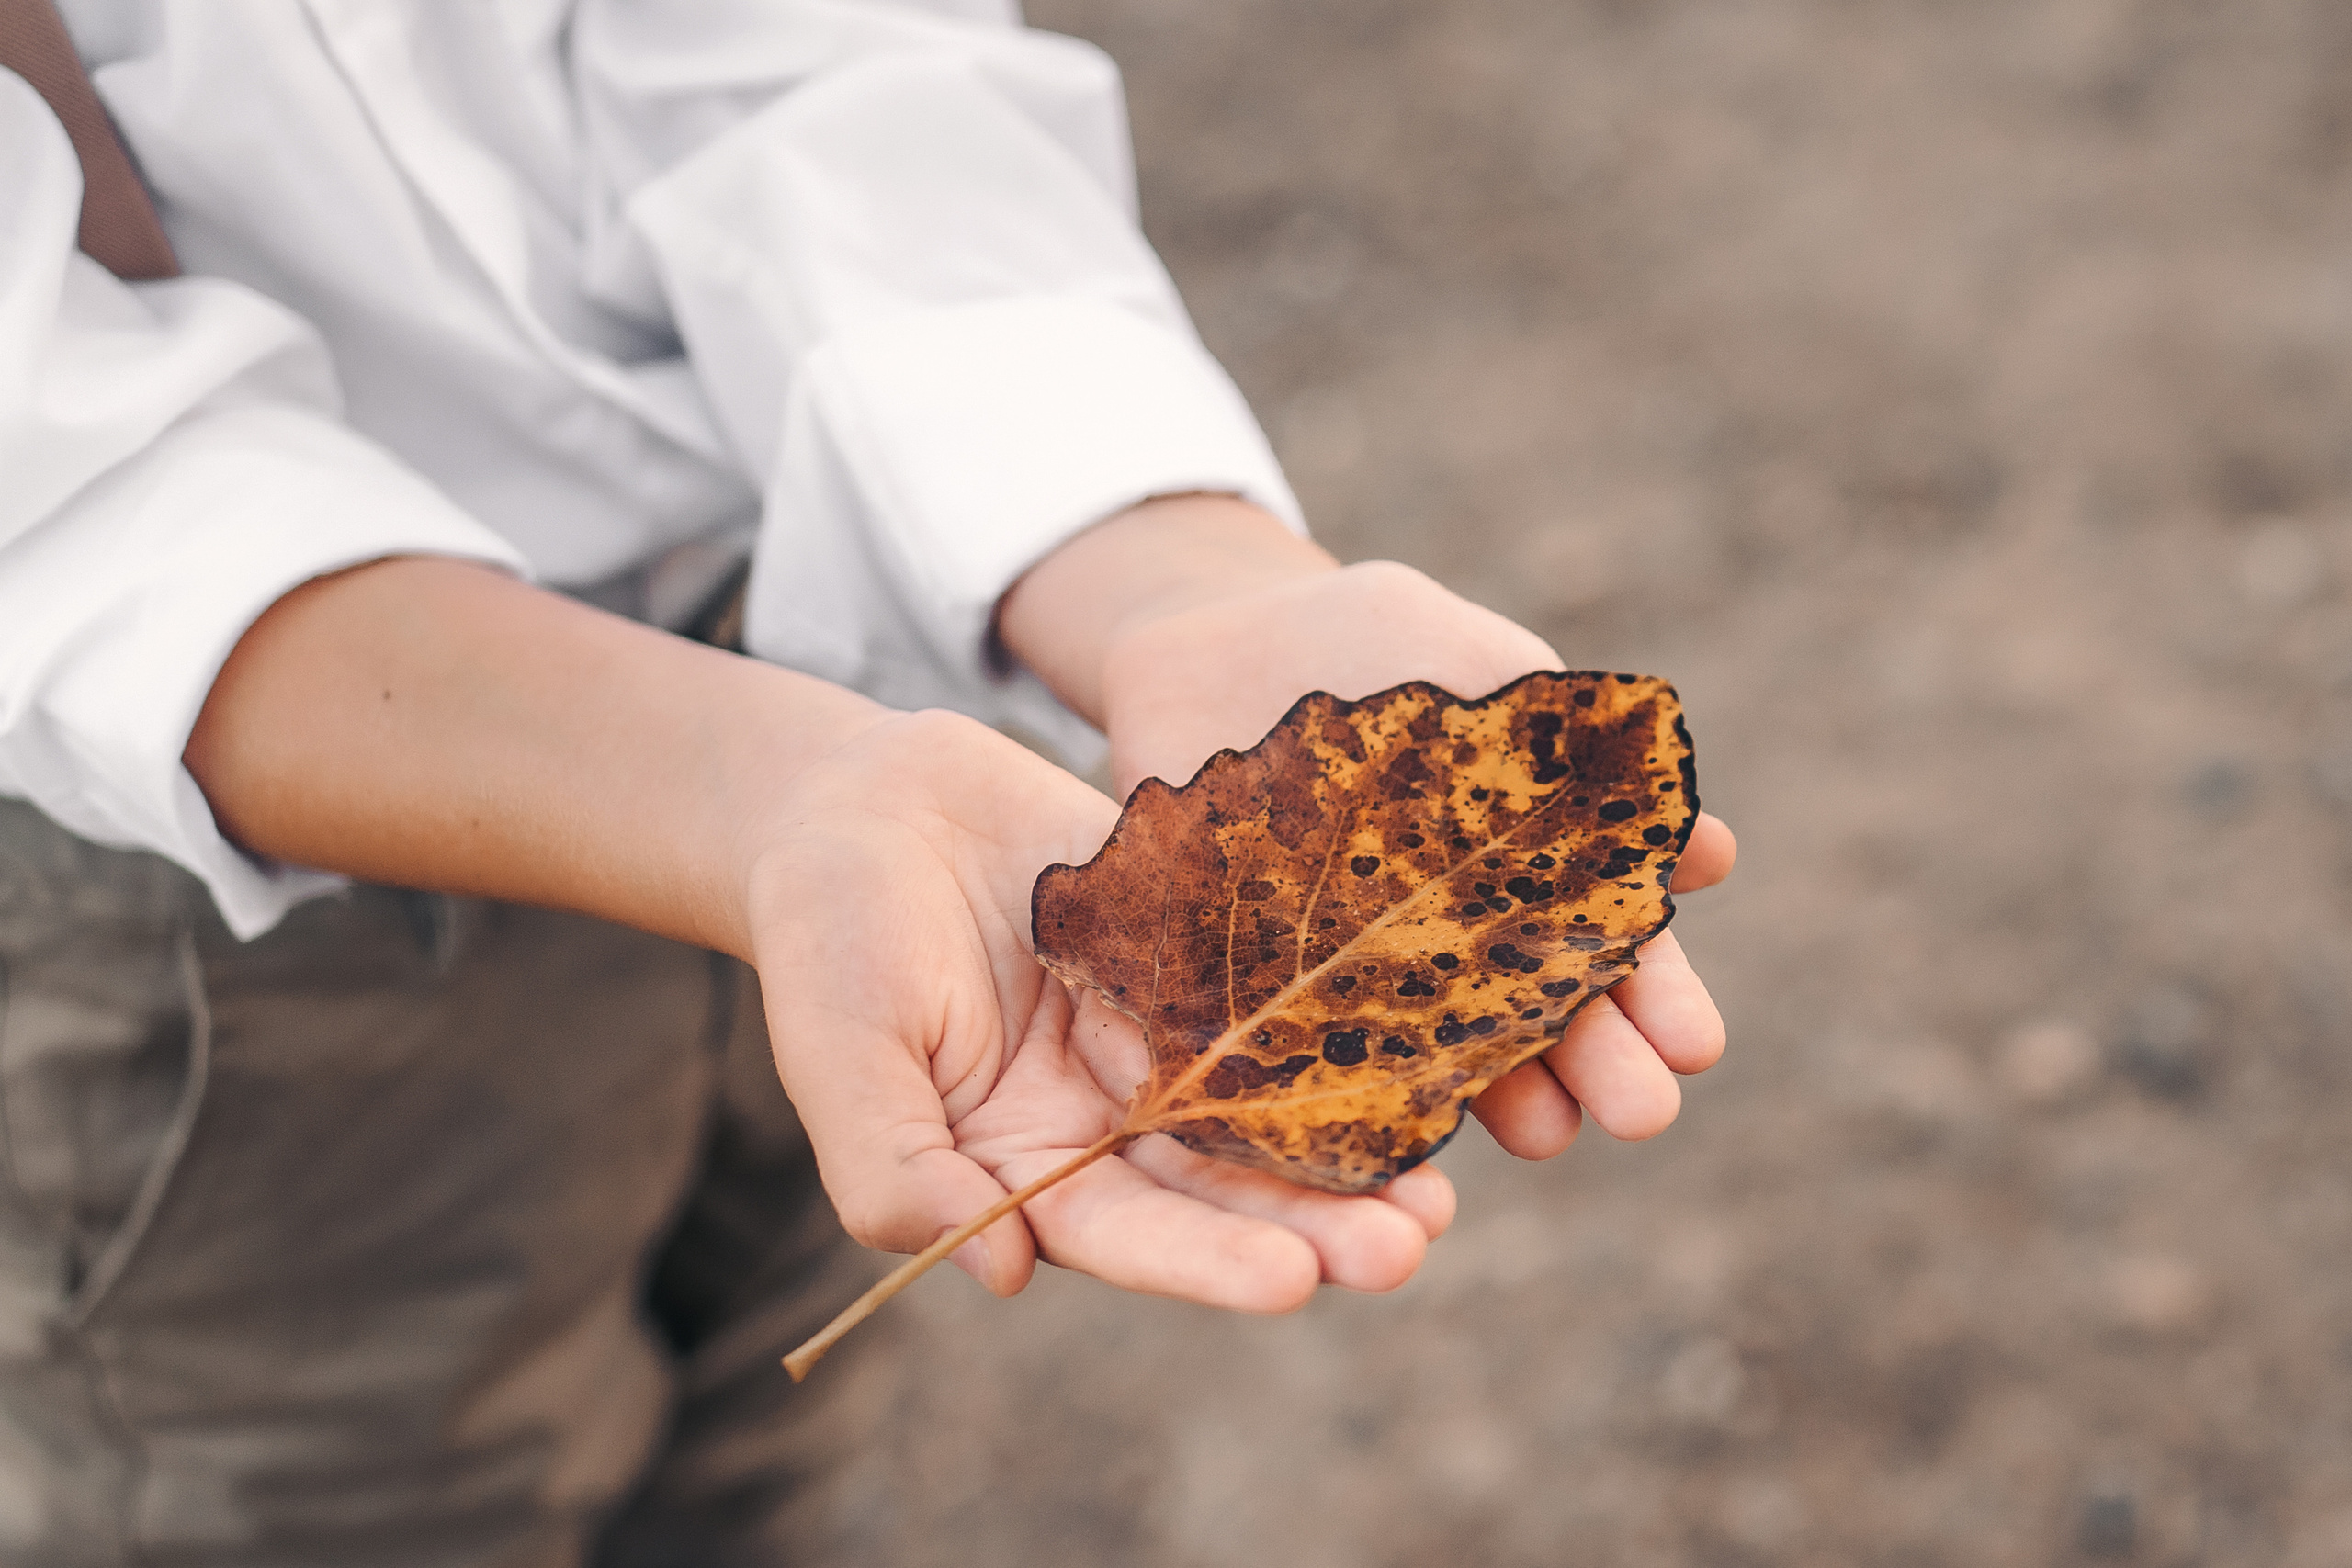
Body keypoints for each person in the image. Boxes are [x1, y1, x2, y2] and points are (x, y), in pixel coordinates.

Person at [0, 0, 1736, 1559]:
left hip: (821, 723)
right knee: (349, 1499)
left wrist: (1172, 578)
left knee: (756, 1433)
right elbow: (58, 488)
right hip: (217, 897)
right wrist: (772, 798)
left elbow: (801, 55)